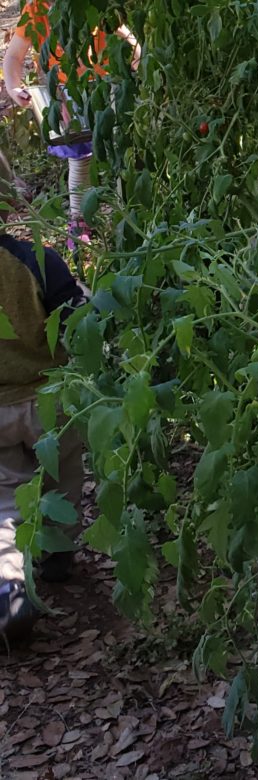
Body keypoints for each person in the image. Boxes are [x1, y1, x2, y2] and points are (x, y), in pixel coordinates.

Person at [0, 168, 89, 641]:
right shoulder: (35, 260)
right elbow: (76, 318)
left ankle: (10, 585)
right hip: (52, 398)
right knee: (64, 474)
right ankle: (57, 555)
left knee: (4, 497)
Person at [2, 0, 139, 242]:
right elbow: (14, 56)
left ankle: (129, 211)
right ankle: (79, 222)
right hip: (67, 94)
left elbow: (124, 34)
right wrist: (13, 86)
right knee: (80, 157)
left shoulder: (94, 4)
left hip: (106, 86)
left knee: (122, 150)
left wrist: (139, 62)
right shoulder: (36, 9)